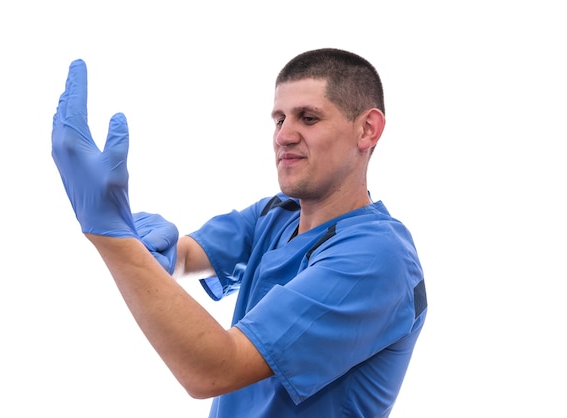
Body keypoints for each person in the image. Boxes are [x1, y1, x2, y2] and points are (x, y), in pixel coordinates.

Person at [51, 48, 427, 417]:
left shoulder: (378, 257)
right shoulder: (277, 215)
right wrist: (144, 245)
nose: (284, 136)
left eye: (308, 118)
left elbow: (213, 370)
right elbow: (184, 258)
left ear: (367, 129)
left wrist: (112, 238)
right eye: (279, 120)